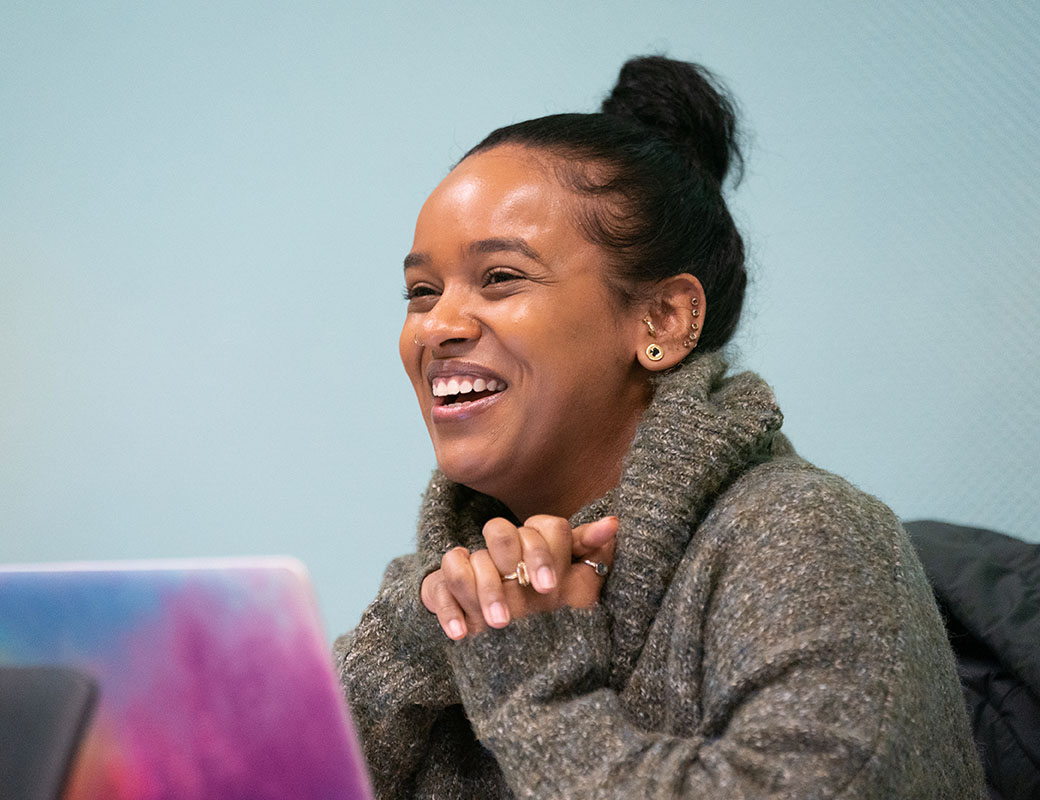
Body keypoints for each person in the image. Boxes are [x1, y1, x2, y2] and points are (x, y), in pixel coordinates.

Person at [333, 55, 984, 799]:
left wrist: (531, 688)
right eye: (421, 292)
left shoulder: (805, 536)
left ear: (662, 320)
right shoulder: (427, 598)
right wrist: (416, 642)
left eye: (500, 277)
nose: (437, 325)